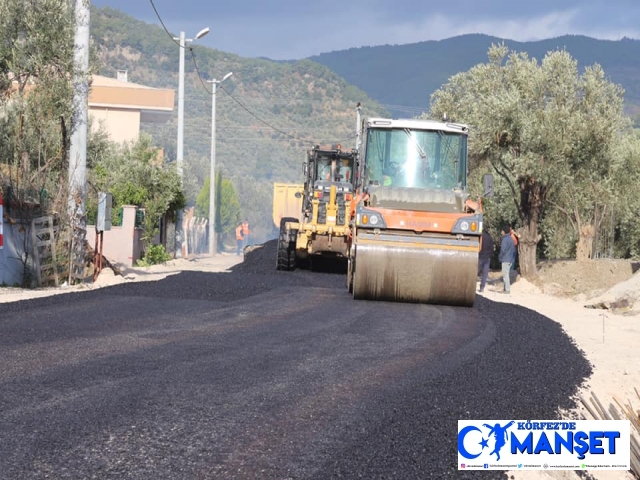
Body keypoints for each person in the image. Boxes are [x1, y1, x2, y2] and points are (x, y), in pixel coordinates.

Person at [499, 225, 516, 294]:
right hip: (510, 259)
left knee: (505, 275)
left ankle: (507, 289)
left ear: (504, 231)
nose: (501, 232)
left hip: (505, 259)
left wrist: (500, 257)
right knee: (506, 274)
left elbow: (503, 250)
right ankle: (505, 288)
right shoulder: (511, 239)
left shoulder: (505, 239)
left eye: (502, 230)